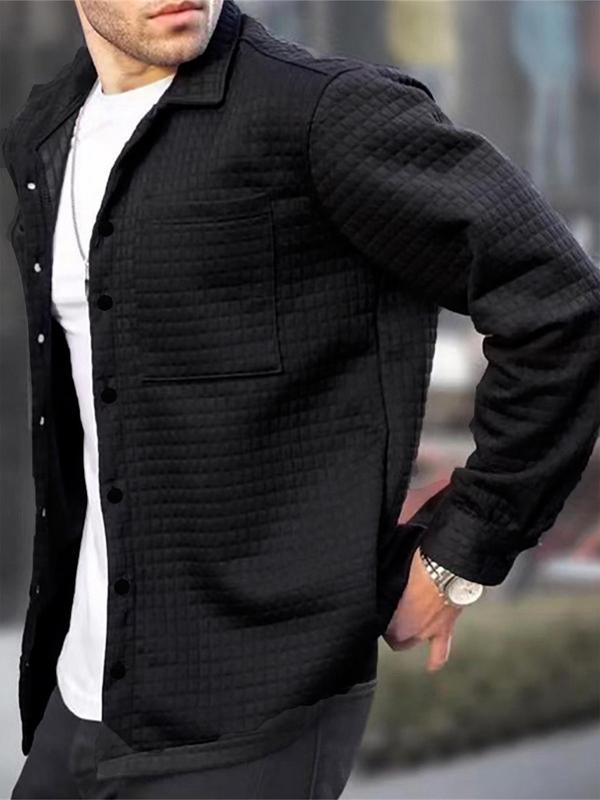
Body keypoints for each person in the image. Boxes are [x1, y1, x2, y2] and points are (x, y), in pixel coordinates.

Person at [3, 0, 599, 797]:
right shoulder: (47, 131)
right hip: (75, 702)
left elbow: (562, 309)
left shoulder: (322, 113)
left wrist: (460, 554)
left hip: (251, 718)